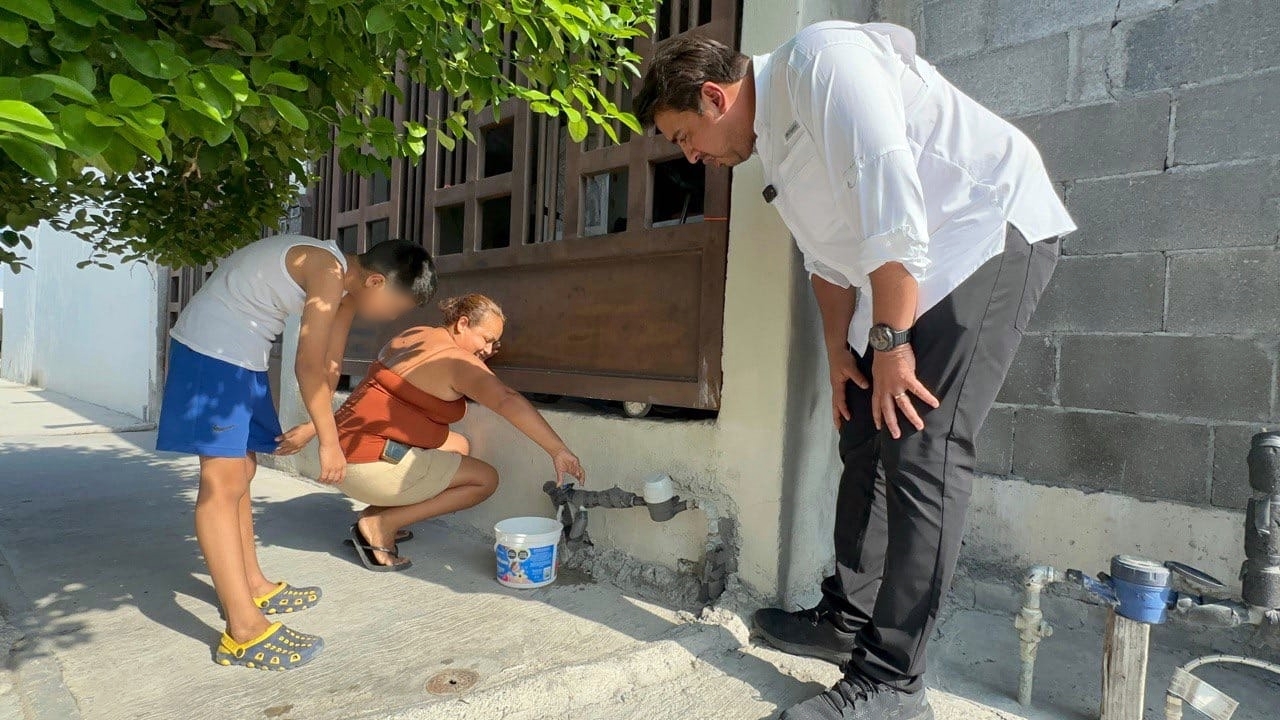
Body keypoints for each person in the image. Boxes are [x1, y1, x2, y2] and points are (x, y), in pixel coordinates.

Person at [634, 21, 1074, 720]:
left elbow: (889, 194)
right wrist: (843, 351)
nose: (690, 156)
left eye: (685, 136)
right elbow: (829, 257)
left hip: (982, 234)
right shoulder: (773, 141)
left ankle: (895, 682)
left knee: (922, 448)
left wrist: (893, 337)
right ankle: (849, 615)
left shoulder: (822, 62)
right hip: (902, 276)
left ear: (715, 98)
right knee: (863, 432)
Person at [156, 235, 435, 670]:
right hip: (211, 356)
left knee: (242, 472)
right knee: (222, 483)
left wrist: (314, 425)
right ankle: (243, 631)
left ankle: (253, 584)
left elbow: (326, 366)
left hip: (242, 361)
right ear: (376, 281)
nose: (391, 319)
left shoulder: (344, 292)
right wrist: (330, 442)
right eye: (395, 308)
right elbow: (305, 364)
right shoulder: (327, 269)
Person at [328, 293, 586, 571]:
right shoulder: (458, 363)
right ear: (462, 323)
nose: (488, 349)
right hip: (368, 466)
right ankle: (382, 524)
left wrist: (476, 360)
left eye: (494, 343)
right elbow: (506, 400)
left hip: (338, 453)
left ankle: (383, 510)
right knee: (484, 479)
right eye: (486, 339)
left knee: (459, 446)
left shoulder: (416, 335)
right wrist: (557, 449)